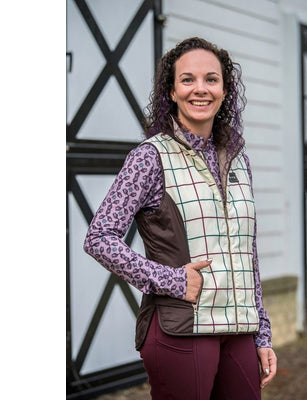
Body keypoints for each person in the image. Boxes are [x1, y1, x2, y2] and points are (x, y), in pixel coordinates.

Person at [84, 37, 277, 400]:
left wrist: (262, 333)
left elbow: (246, 251)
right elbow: (99, 238)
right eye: (188, 80)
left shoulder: (238, 159)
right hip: (182, 328)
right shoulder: (149, 157)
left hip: (239, 329)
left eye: (211, 79)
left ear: (225, 90)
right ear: (172, 92)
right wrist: (171, 279)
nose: (200, 89)